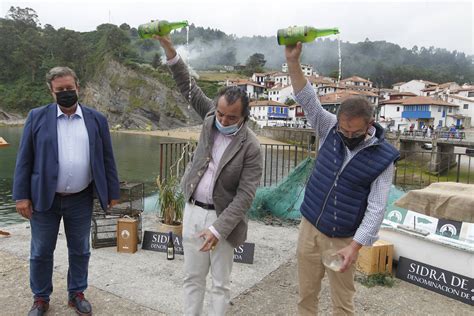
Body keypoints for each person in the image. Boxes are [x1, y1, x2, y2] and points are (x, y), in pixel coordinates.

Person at [284, 42, 400, 315]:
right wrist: (292, 61)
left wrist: (356, 246)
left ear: (370, 125)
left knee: (343, 304)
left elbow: (376, 208)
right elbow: (306, 96)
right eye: (343, 130)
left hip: (343, 239)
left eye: (354, 132)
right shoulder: (329, 127)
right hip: (310, 228)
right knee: (306, 296)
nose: (347, 135)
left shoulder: (384, 158)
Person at [153, 35, 263, 316]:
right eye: (221, 115)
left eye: (231, 118)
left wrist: (217, 229)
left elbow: (246, 195)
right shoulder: (210, 117)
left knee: (220, 284)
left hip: (222, 219)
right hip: (192, 212)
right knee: (192, 277)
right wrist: (169, 50)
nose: (223, 121)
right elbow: (186, 86)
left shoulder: (251, 146)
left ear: (244, 117)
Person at [13, 66, 120, 316]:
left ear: (78, 88)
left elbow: (107, 159)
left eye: (69, 89)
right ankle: (40, 298)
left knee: (81, 249)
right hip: (43, 199)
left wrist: (112, 192)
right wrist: (21, 196)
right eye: (59, 90)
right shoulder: (36, 117)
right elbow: (24, 159)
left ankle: (77, 293)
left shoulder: (96, 120)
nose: (65, 93)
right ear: (51, 91)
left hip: (81, 198)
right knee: (40, 251)